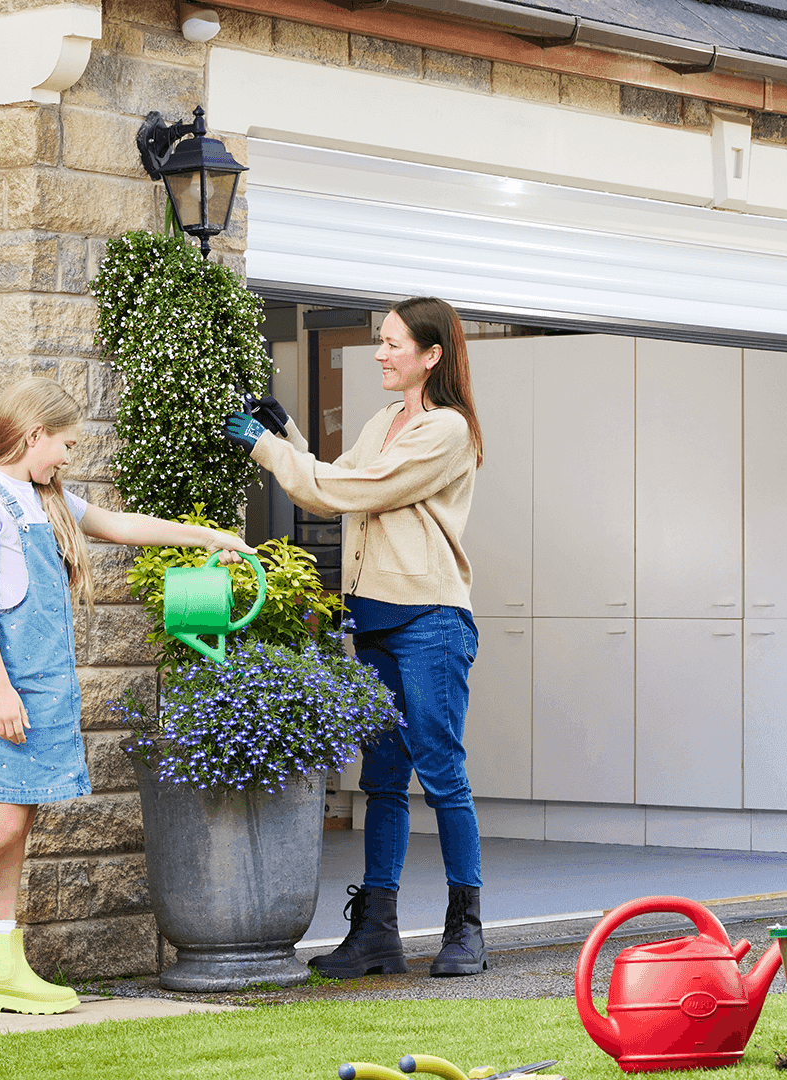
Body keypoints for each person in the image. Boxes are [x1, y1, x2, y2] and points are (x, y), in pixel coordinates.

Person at [0, 376, 257, 1018]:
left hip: (45, 686)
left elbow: (118, 525)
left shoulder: (45, 500)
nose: (68, 458)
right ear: (34, 434)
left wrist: (206, 537)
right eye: (65, 445)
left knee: (17, 823)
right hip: (9, 686)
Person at [223, 296, 487, 977]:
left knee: (441, 770)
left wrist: (271, 451)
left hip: (429, 618)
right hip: (373, 616)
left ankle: (467, 928)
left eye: (394, 342)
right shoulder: (381, 421)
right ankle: (376, 933)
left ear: (430, 355)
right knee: (383, 779)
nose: (380, 352)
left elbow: (358, 489)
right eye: (381, 340)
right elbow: (336, 483)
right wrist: (291, 443)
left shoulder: (448, 431)